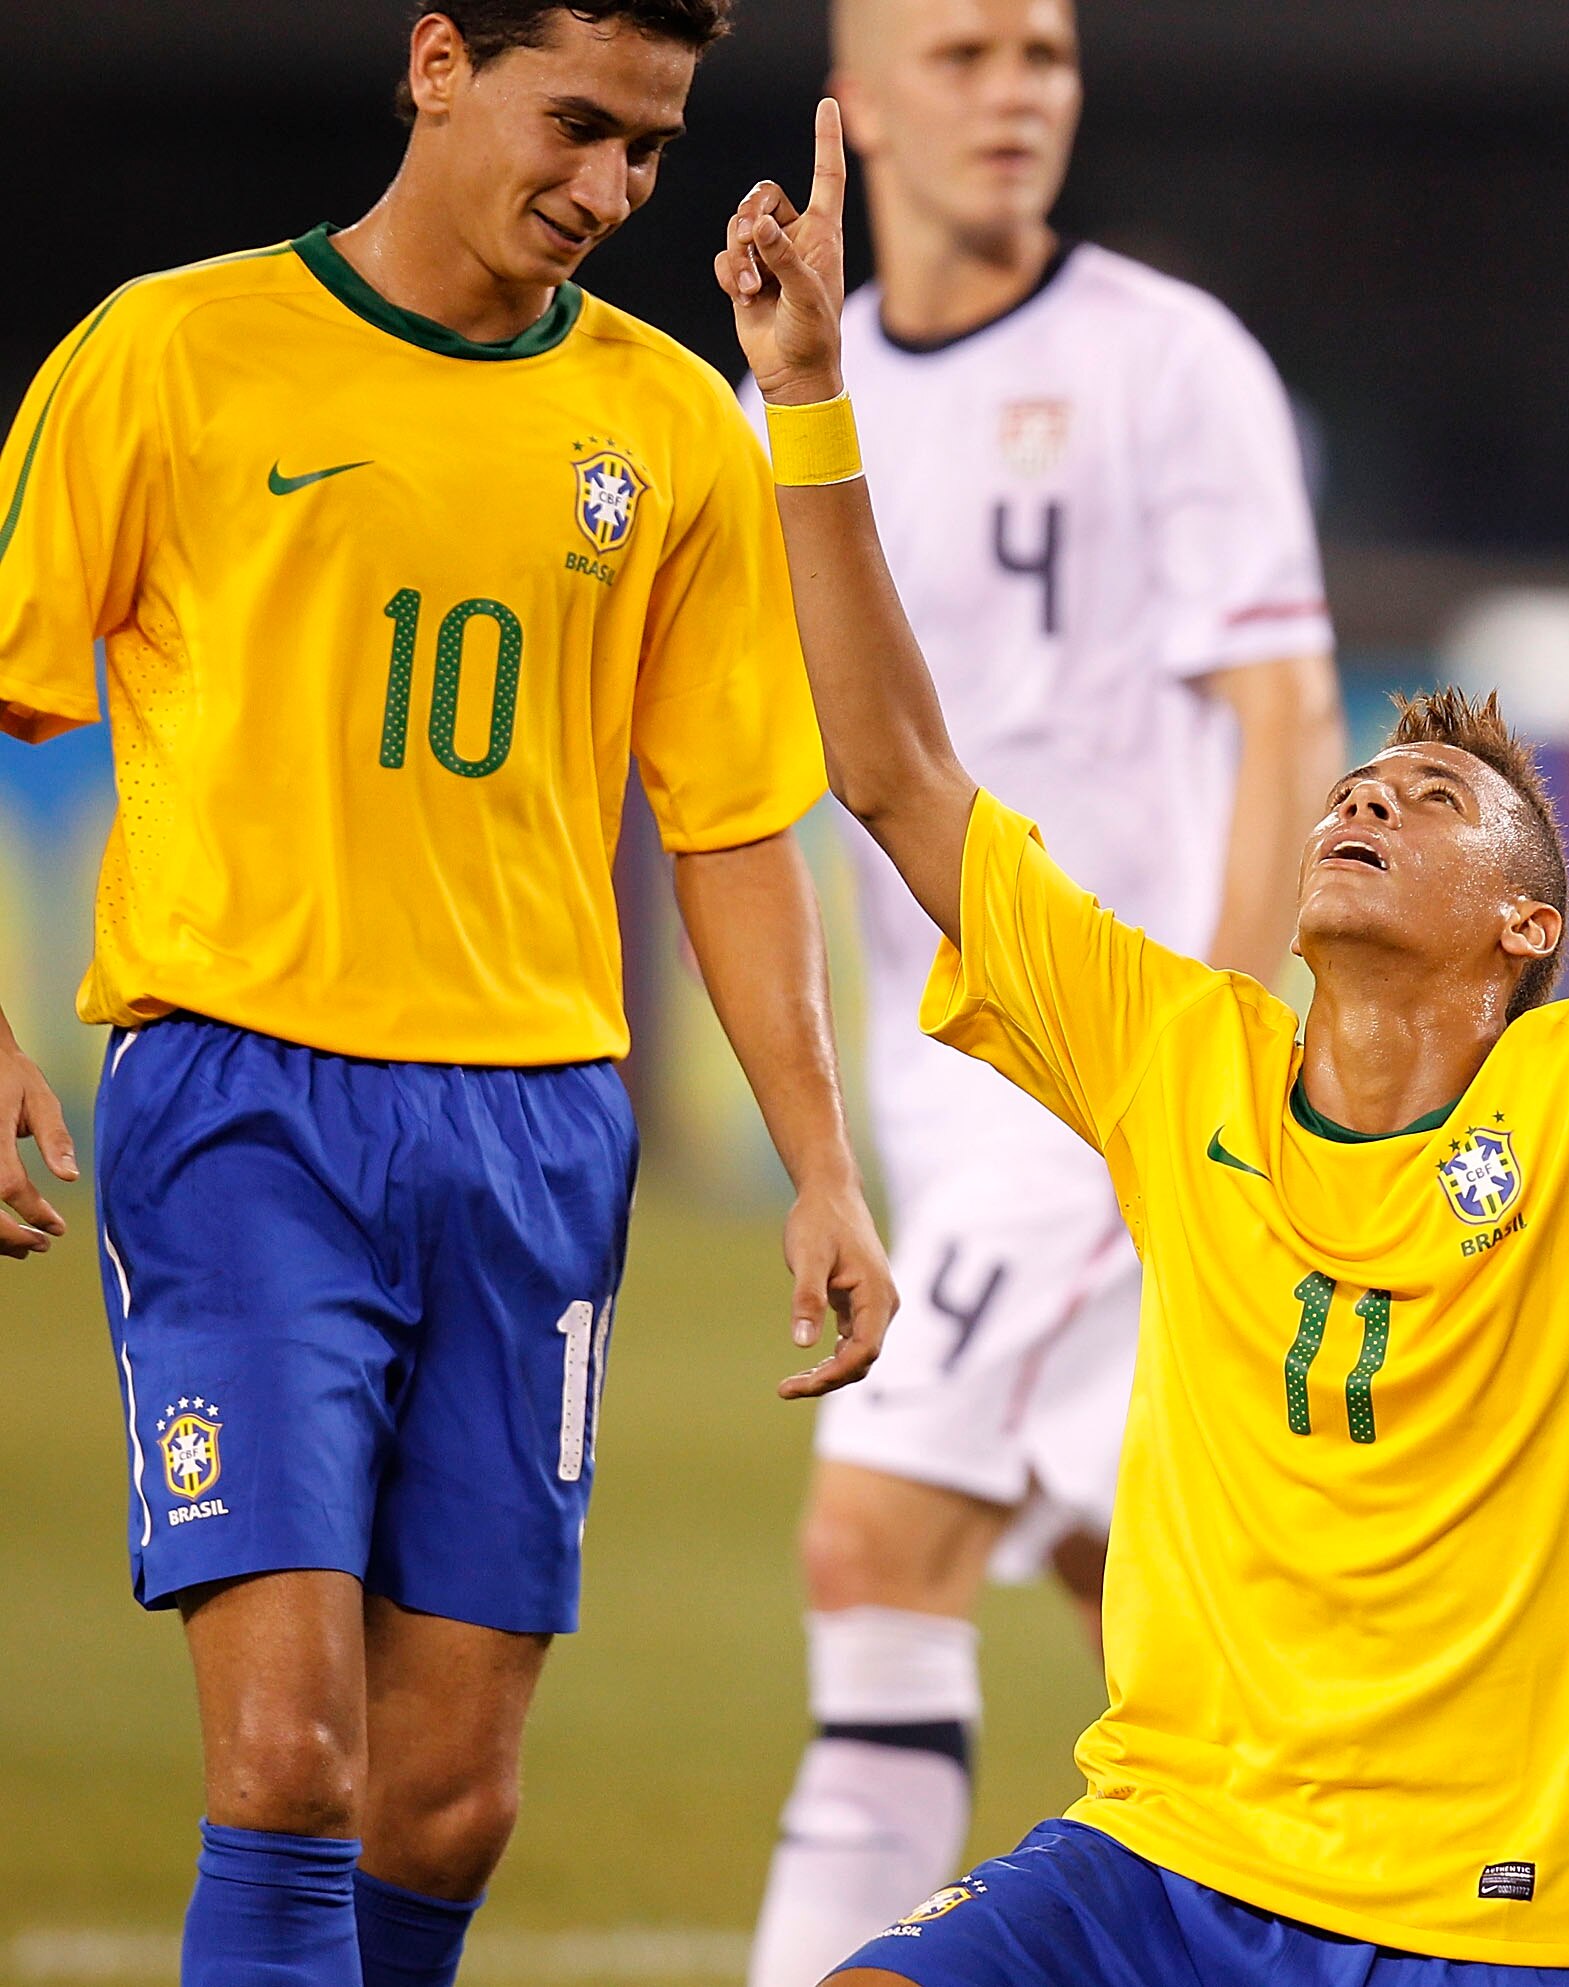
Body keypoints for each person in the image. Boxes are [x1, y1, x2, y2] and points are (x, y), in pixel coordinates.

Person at [717, 101, 1569, 1987]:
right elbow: (888, 774)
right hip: (1166, 1860)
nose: (1360, 797)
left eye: (1427, 795)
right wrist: (807, 395)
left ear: (1532, 926)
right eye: (1357, 777)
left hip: (1488, 1922)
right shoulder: (1169, 1050)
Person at [0, 7, 899, 1984]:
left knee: (448, 1804)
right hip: (244, 1101)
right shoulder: (172, 354)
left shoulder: (667, 426)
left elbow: (734, 825)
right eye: (574, 123)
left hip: (534, 1127)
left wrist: (824, 1164)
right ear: (434, 64)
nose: (611, 189)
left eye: (651, 150)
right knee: (290, 1753)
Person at [741, 2, 1342, 1979]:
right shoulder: (797, 403)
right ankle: (1344, 1921)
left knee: (874, 1544)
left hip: (1102, 1086)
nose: (1018, 97)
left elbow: (1283, 716)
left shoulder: (1168, 362)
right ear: (863, 101)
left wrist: (1218, 1054)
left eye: (1048, 58)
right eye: (969, 56)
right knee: (1158, 1625)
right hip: (947, 1090)